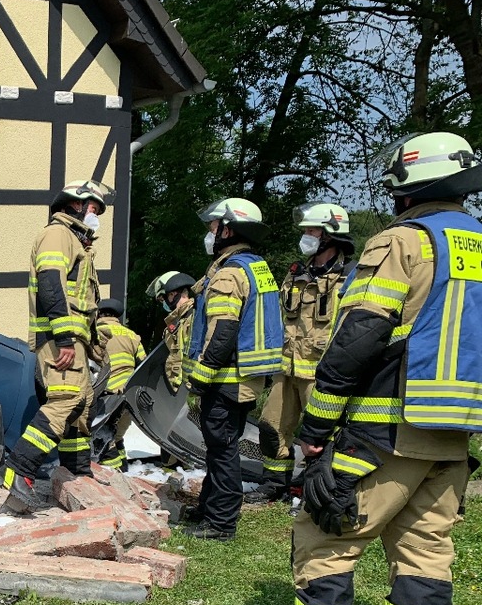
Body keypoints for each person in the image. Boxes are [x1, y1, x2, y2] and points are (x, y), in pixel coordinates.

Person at [253, 131, 482, 605]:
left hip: (386, 427)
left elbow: (358, 340)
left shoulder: (402, 242)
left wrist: (313, 431)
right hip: (455, 436)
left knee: (327, 538)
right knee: (427, 554)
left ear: (409, 186)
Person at [0, 179, 114, 509]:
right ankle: (17, 472)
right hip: (61, 342)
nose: (97, 215)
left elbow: (80, 302)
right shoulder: (57, 235)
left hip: (74, 342)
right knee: (67, 399)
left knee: (80, 407)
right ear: (74, 204)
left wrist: (94, 346)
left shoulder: (77, 243)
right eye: (94, 208)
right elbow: (50, 286)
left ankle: (75, 476)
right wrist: (64, 340)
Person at [182, 198, 283, 540]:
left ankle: (222, 523)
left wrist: (200, 378)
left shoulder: (229, 273)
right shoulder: (256, 267)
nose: (210, 234)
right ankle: (209, 507)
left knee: (223, 449)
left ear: (228, 229)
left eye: (213, 227)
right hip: (246, 379)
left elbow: (222, 332)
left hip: (226, 379)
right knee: (220, 446)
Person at [249, 203, 355, 503]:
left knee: (320, 437)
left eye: (311, 230)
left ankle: (315, 489)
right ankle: (275, 484)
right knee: (271, 427)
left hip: (321, 374)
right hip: (287, 369)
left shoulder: (350, 277)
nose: (306, 236)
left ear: (331, 235)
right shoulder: (296, 273)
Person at [93, 297, 146, 470]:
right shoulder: (132, 336)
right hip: (129, 397)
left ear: (98, 314)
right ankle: (123, 470)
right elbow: (144, 365)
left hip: (107, 399)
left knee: (105, 441)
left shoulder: (95, 333)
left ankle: (115, 474)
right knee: (117, 437)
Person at [147, 271, 196, 392]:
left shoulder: (193, 318)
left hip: (187, 391)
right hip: (179, 393)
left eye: (162, 299)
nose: (163, 304)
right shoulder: (176, 324)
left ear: (173, 294)